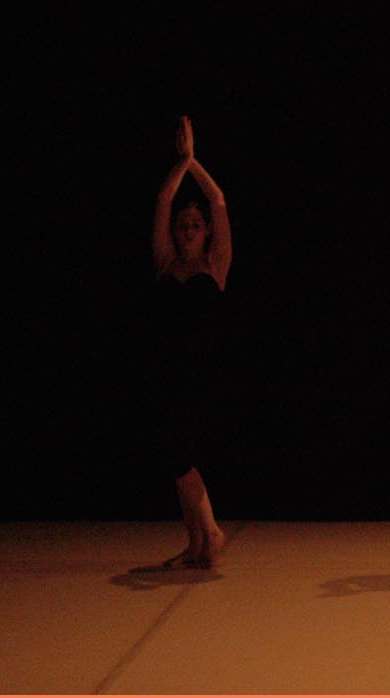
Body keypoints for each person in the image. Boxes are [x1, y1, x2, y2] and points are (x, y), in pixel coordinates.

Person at [149, 115, 230, 568]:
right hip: (167, 369)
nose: (187, 230)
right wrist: (179, 166)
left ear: (207, 231)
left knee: (179, 452)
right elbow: (164, 199)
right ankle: (196, 543)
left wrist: (191, 160)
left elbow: (217, 199)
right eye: (182, 225)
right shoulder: (166, 263)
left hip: (202, 372)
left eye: (195, 225)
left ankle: (211, 530)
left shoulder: (215, 265)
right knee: (173, 454)